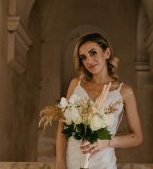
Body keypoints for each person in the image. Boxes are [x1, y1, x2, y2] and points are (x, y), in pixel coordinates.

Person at [56, 33, 143, 169]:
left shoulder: (124, 92)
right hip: (72, 161)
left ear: (107, 53)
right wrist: (60, 162)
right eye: (83, 57)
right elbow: (62, 126)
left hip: (103, 164)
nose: (89, 61)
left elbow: (137, 137)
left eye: (93, 53)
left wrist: (107, 142)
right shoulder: (76, 85)